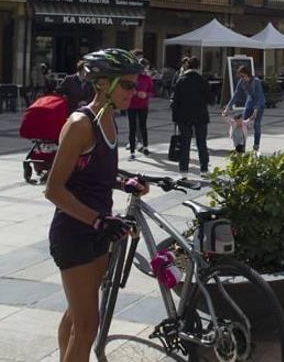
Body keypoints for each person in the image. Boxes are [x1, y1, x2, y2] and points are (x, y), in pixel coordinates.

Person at [45, 48, 148, 361]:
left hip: (97, 231)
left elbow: (94, 172)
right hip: (74, 232)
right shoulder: (81, 123)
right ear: (104, 83)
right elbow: (54, 189)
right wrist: (98, 221)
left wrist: (123, 182)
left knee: (77, 316)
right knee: (89, 327)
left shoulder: (110, 120)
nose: (136, 91)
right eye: (128, 85)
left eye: (136, 84)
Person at [171, 56, 211, 175]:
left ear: (187, 66)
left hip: (184, 116)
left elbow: (175, 100)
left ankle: (183, 170)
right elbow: (210, 99)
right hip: (200, 115)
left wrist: (175, 118)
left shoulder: (181, 80)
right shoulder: (203, 80)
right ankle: (204, 168)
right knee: (201, 142)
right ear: (198, 66)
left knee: (185, 143)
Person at [223, 65, 266, 153]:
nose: (242, 78)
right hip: (250, 102)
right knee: (242, 124)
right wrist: (228, 107)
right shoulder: (242, 82)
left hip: (259, 104)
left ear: (247, 74)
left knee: (256, 124)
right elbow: (236, 94)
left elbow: (259, 96)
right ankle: (242, 146)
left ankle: (256, 146)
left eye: (243, 76)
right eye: (240, 76)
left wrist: (256, 109)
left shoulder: (256, 81)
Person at [127, 60, 154, 159]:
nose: (144, 70)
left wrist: (146, 94)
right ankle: (132, 151)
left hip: (143, 105)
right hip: (132, 105)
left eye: (145, 68)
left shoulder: (147, 78)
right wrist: (133, 92)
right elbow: (126, 88)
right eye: (142, 68)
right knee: (132, 128)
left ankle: (145, 146)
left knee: (143, 126)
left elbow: (152, 92)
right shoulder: (132, 78)